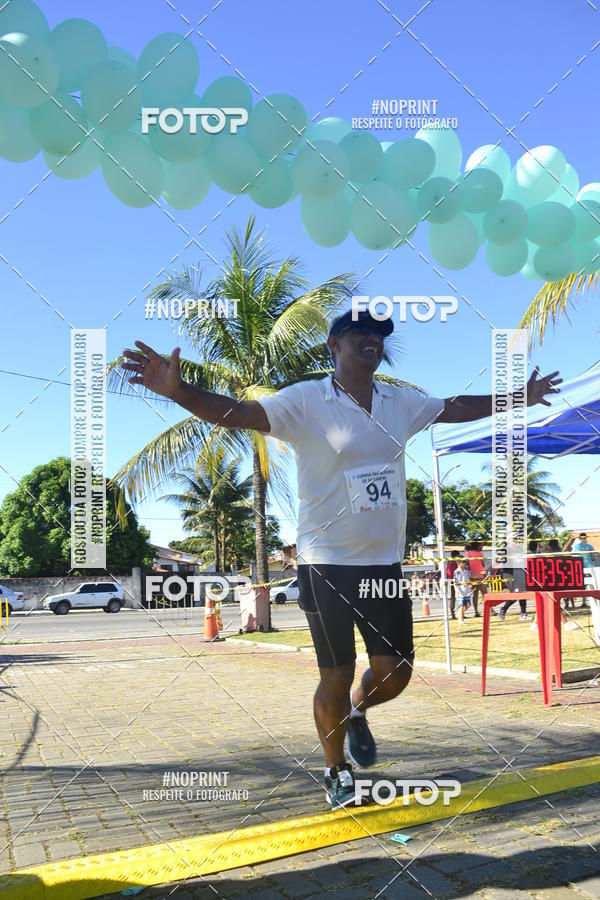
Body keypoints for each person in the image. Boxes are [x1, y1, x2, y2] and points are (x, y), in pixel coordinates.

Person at [121, 309, 561, 809]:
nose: (372, 340)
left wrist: (517, 398)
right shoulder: (307, 400)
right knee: (337, 671)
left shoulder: (400, 401)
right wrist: (179, 391)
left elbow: (453, 406)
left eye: (378, 335)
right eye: (360, 334)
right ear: (334, 344)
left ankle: (356, 710)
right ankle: (336, 771)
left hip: (383, 564)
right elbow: (238, 413)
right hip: (324, 562)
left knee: (395, 674)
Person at [572, 533, 596, 608]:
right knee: (593, 585)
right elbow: (594, 558)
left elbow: (574, 557)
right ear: (586, 538)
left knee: (583, 585)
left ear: (579, 538)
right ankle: (595, 601)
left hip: (580, 568)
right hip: (590, 567)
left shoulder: (576, 547)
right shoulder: (590, 546)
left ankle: (584, 602)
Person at [466, 541, 489, 616]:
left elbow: (467, 563)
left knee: (475, 595)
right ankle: (490, 610)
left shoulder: (468, 553)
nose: (482, 547)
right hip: (480, 575)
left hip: (472, 576)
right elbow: (483, 564)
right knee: (485, 594)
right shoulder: (480, 554)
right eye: (481, 545)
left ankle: (476, 612)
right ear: (477, 546)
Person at [446, 550, 461, 620]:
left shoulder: (449, 562)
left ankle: (453, 614)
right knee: (460, 597)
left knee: (453, 598)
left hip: (450, 580)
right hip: (457, 580)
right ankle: (460, 613)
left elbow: (447, 571)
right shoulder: (457, 561)